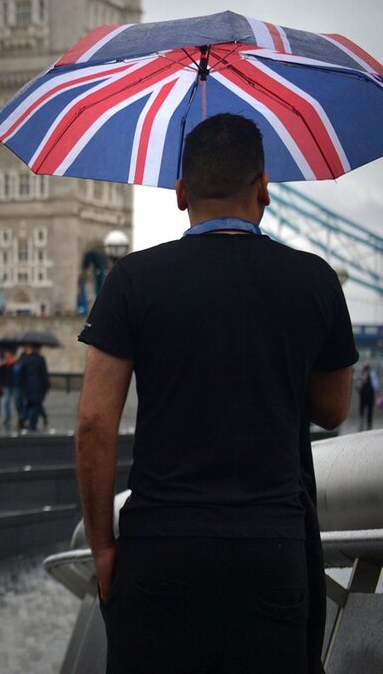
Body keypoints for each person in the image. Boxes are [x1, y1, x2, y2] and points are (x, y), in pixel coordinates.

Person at [75, 113, 355, 674]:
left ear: (180, 193)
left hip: (161, 546)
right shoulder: (315, 279)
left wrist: (105, 547)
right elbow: (333, 411)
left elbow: (93, 423)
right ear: (264, 189)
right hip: (271, 548)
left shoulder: (132, 279)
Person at [19, 343, 50, 431]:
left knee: (29, 403)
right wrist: (47, 386)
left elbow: (21, 373)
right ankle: (32, 424)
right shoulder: (40, 359)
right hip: (38, 386)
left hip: (27, 385)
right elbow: (44, 374)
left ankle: (23, 417)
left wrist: (22, 385)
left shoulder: (26, 359)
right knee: (36, 405)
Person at [359, 363, 377, 430]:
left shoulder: (371, 373)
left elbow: (375, 383)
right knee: (363, 408)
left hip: (368, 393)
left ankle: (368, 423)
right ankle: (363, 421)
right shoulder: (364, 373)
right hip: (365, 393)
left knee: (368, 409)